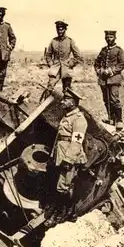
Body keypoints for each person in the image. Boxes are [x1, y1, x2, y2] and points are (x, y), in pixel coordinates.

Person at [45, 88, 88, 226]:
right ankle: (60, 210)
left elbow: (76, 142)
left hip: (70, 156)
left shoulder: (79, 120)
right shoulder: (68, 116)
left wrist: (68, 160)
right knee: (60, 184)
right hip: (61, 153)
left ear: (73, 102)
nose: (62, 102)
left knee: (63, 185)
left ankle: (62, 214)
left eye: (66, 99)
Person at [94, 30, 124, 131]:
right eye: (107, 37)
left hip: (114, 79)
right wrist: (99, 71)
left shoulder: (119, 50)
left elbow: (121, 64)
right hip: (103, 79)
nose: (109, 39)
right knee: (106, 100)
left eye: (111, 37)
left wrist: (111, 70)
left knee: (114, 99)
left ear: (115, 38)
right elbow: (96, 63)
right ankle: (111, 119)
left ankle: (119, 120)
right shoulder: (103, 50)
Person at [45, 21, 83, 93]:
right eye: (58, 29)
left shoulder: (70, 41)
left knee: (67, 89)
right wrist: (50, 63)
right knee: (50, 86)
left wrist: (71, 63)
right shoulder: (53, 41)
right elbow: (48, 54)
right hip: (55, 68)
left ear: (65, 30)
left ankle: (66, 103)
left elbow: (78, 56)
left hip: (66, 68)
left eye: (61, 29)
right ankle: (46, 103)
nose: (59, 31)